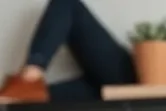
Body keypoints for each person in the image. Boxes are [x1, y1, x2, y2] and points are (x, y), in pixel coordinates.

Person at [0, 0, 136, 104]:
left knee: (66, 2)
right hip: (123, 84)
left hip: (138, 81)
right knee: (29, 97)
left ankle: (30, 77)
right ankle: (24, 88)